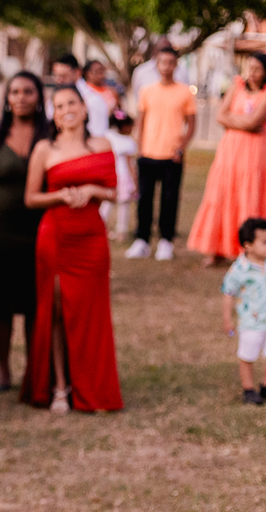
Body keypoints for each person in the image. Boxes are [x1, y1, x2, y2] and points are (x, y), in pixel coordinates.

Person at [23, 85, 123, 413]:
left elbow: (114, 192)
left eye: (72, 103)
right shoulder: (44, 149)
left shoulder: (102, 144)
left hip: (91, 237)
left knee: (91, 313)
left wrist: (92, 188)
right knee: (55, 310)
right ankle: (60, 388)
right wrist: (62, 196)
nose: (66, 109)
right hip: (56, 235)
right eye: (59, 105)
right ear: (53, 114)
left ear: (83, 108)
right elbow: (31, 198)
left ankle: (92, 385)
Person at [0, 71, 48, 392]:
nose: (20, 98)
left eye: (27, 92)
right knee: (0, 303)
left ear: (38, 97)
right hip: (0, 232)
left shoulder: (50, 135)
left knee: (34, 303)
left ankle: (34, 366)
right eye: (14, 92)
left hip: (40, 231)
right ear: (6, 98)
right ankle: (3, 368)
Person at [187, 54, 266, 266]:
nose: (252, 73)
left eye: (258, 69)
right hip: (230, 150)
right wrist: (243, 123)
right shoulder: (236, 86)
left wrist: (233, 120)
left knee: (249, 197)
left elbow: (255, 120)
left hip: (255, 153)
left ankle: (247, 250)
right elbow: (220, 115)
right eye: (250, 67)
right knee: (221, 194)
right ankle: (215, 248)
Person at [125, 47, 197, 261]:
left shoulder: (185, 92)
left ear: (176, 65)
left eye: (171, 63)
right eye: (163, 62)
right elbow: (141, 120)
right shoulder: (147, 90)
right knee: (144, 199)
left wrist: (181, 147)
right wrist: (139, 146)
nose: (166, 67)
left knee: (170, 199)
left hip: (172, 155)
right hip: (148, 152)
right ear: (156, 65)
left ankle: (166, 240)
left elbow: (191, 125)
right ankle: (142, 240)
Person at [222, 218, 266, 405]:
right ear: (248, 245)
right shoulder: (239, 270)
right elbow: (228, 294)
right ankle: (248, 389)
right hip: (251, 322)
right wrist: (227, 320)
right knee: (248, 355)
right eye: (265, 242)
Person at [50, 54, 109, 137]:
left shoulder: (93, 100)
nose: (59, 80)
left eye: (63, 76)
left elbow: (98, 134)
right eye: (56, 76)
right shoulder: (54, 98)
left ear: (77, 72)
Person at [102, 111, 139, 241]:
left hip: (110, 176)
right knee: (124, 206)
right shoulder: (128, 142)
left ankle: (100, 225)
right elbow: (131, 165)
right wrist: (135, 182)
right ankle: (121, 232)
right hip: (124, 178)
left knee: (107, 203)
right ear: (125, 127)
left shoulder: (108, 137)